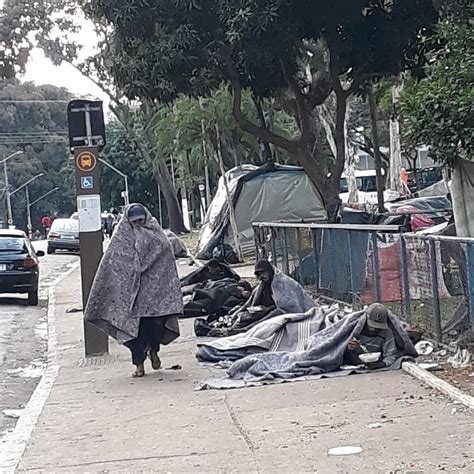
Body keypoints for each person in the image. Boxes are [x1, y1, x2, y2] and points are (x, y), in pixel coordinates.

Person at [85, 204, 183, 378]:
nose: (138, 225)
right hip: (130, 298)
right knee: (133, 333)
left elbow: (165, 255)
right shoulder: (121, 238)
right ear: (127, 221)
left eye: (140, 220)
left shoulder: (156, 234)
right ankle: (139, 365)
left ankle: (154, 352)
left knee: (154, 326)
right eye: (134, 222)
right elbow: (112, 261)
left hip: (152, 296)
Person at [344, 303, 399, 370]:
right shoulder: (354, 329)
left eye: (378, 327)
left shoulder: (386, 333)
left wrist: (382, 364)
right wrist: (346, 348)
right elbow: (338, 346)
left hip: (377, 361)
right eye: (371, 326)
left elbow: (391, 355)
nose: (374, 329)